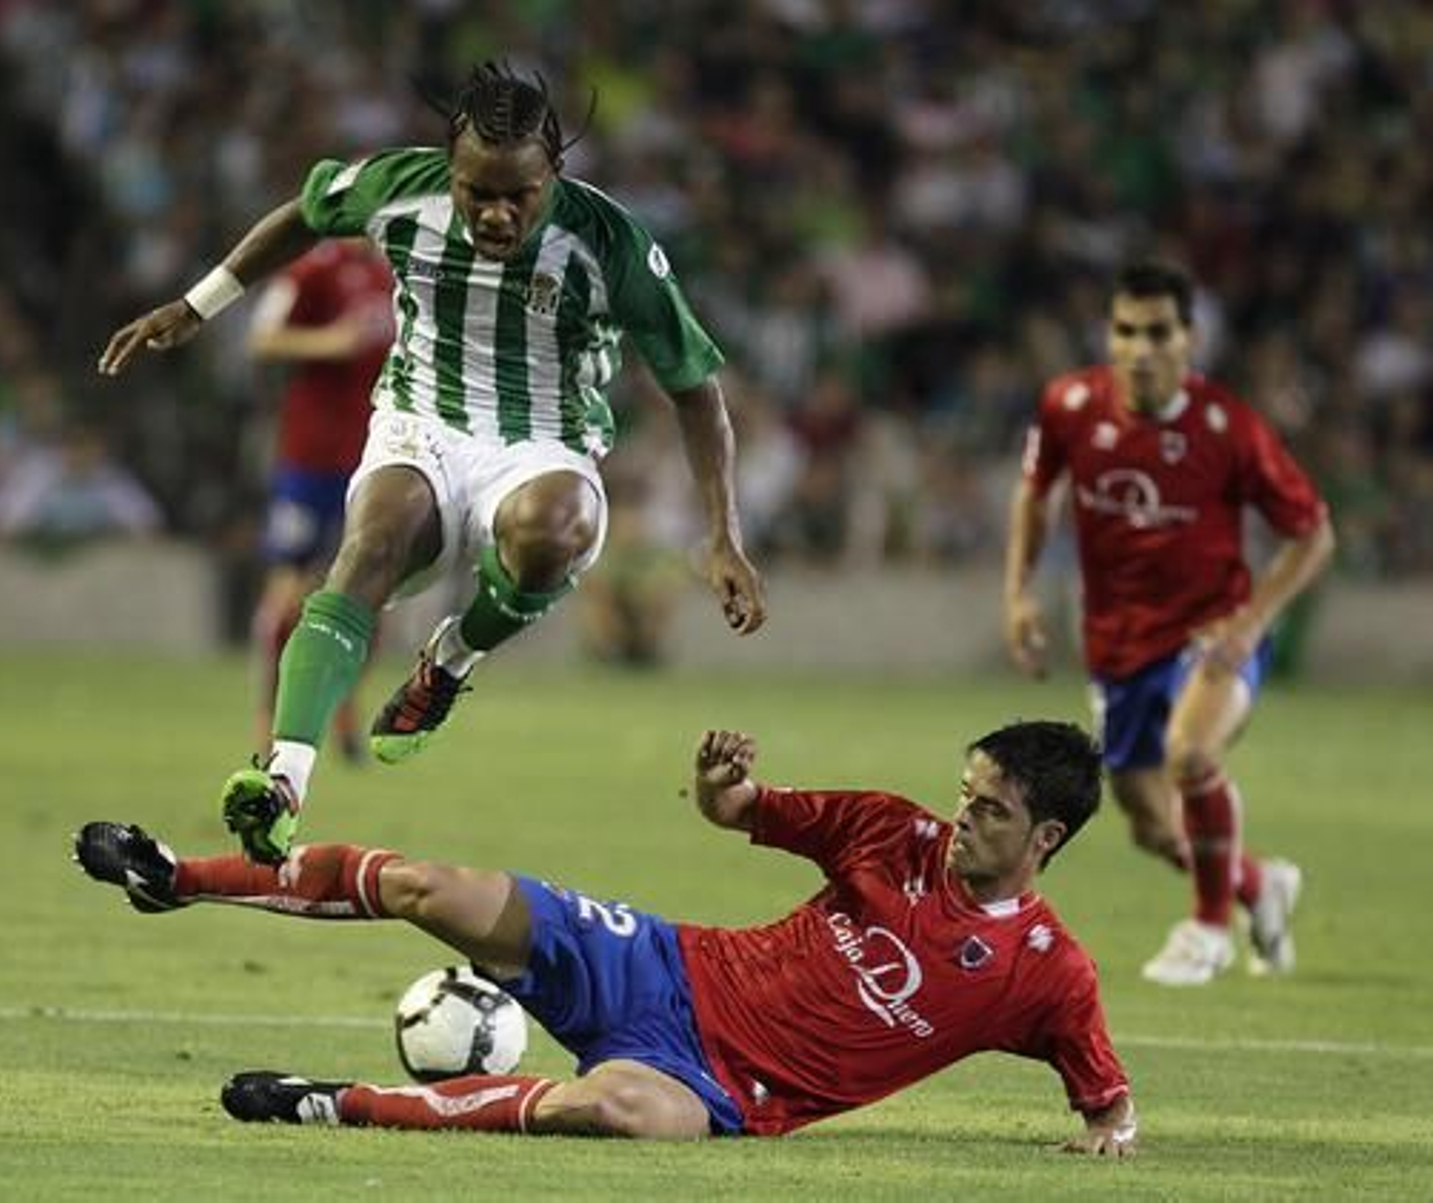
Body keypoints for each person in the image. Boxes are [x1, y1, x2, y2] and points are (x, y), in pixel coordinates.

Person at [97, 63, 766, 866]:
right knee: (371, 542)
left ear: (553, 170)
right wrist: (197, 304)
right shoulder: (395, 185)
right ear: (448, 167)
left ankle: (448, 662)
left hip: (545, 441)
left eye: (518, 194)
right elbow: (302, 215)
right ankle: (283, 783)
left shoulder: (608, 241)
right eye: (475, 190)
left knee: (552, 531)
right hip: (423, 419)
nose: (495, 211)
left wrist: (724, 535)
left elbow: (697, 394)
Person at [73, 720, 1136, 1153]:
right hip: (663, 960)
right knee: (431, 885)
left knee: (618, 1110)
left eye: (988, 812)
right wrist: (724, 788)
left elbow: (1106, 1100)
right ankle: (179, 877)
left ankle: (328, 1102)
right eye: (964, 796)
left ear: (1045, 835)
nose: (960, 820)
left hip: (721, 1090)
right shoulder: (886, 828)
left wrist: (1106, 1135)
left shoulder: (1044, 976)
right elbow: (741, 811)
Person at [1003, 259, 1335, 987]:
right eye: (1126, 330)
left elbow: (1313, 533)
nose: (1140, 347)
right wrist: (1020, 593)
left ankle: (1208, 928)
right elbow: (1036, 493)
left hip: (1212, 633)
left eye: (1158, 331)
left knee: (1190, 755)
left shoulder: (1229, 427)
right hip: (1119, 643)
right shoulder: (1070, 405)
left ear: (1189, 338)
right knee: (1152, 825)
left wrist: (1250, 621)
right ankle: (1256, 883)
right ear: (1109, 335)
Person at [245, 239, 396, 761]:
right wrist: (328, 341)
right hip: (310, 457)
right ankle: (268, 719)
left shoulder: (394, 270)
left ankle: (345, 705)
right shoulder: (313, 268)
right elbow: (263, 337)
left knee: (372, 593)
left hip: (376, 457)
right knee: (288, 590)